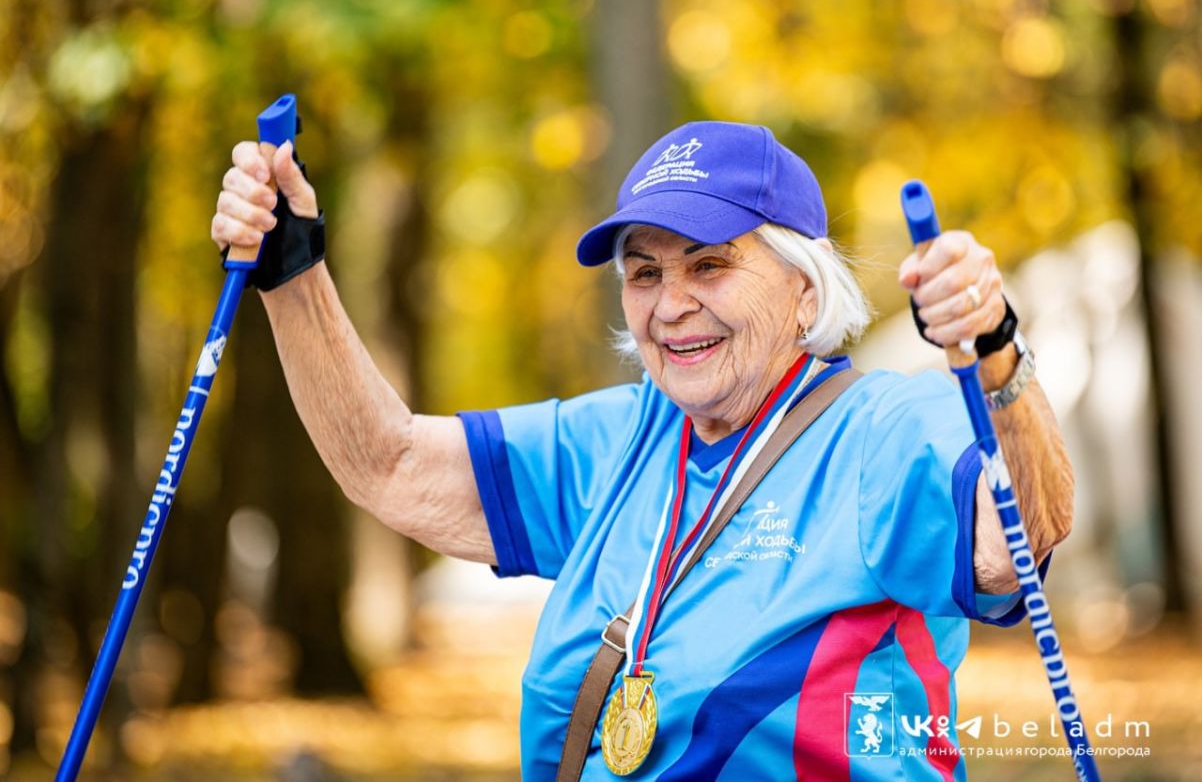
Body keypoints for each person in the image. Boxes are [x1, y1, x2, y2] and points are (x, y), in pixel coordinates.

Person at [210, 120, 1073, 781]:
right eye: (645, 272)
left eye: (709, 265)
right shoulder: (621, 435)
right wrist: (291, 270)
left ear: (805, 292)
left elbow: (1019, 542)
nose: (670, 304)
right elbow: (391, 464)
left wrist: (997, 348)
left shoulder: (881, 427)